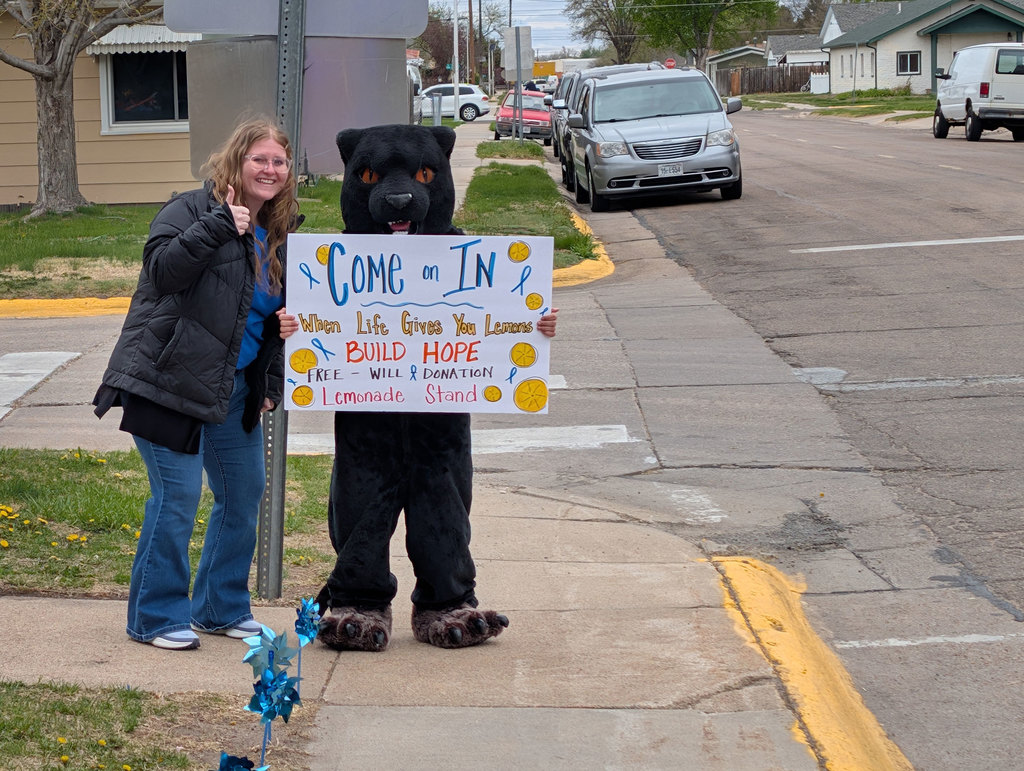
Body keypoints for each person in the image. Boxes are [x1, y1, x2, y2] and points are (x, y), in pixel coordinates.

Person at [93, 117, 302, 650]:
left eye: (279, 161)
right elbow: (161, 273)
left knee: (243, 493)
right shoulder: (188, 209)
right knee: (178, 497)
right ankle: (156, 617)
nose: (270, 169)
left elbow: (269, 321)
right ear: (236, 160)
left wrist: (271, 380)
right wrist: (217, 225)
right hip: (168, 381)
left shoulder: (281, 233)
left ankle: (219, 607)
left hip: (233, 392)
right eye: (260, 158)